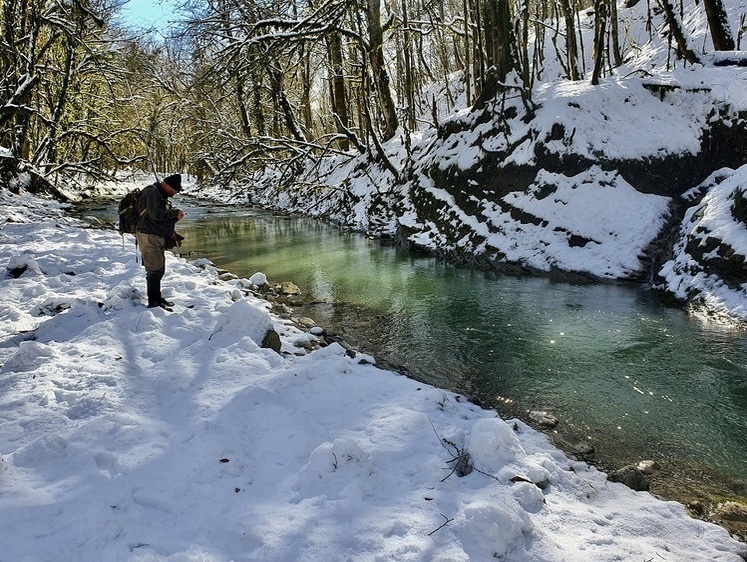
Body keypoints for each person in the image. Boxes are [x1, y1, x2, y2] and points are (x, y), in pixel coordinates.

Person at [136, 174, 185, 310]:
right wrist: (174, 213)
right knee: (154, 271)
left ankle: (157, 298)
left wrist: (174, 218)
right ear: (167, 186)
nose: (175, 194)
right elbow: (155, 214)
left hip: (155, 235)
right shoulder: (151, 192)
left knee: (158, 269)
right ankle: (153, 302)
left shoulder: (160, 194)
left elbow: (159, 217)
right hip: (149, 236)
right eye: (174, 191)